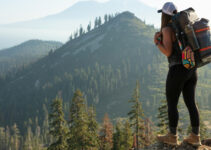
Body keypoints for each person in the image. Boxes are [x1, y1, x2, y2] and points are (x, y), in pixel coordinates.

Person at [154, 2, 201, 146]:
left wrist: (157, 43)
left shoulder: (168, 29)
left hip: (177, 70)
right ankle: (195, 136)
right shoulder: (182, 27)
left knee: (172, 102)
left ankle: (172, 136)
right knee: (191, 102)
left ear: (164, 14)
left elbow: (168, 51)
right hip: (191, 67)